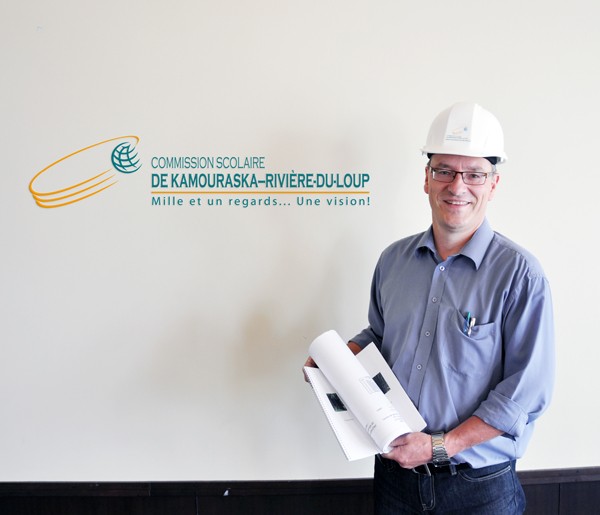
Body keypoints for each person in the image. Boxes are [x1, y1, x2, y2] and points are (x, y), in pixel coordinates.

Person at [304, 102, 554, 514]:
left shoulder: (520, 274)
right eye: (444, 171)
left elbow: (524, 394)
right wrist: (336, 361)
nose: (457, 186)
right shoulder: (393, 262)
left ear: (493, 184)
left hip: (479, 490)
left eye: (474, 174)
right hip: (395, 481)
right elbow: (381, 338)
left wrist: (440, 446)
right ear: (426, 178)